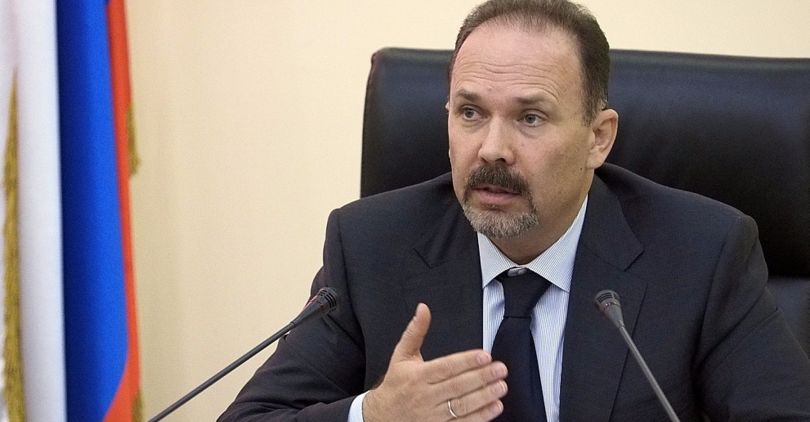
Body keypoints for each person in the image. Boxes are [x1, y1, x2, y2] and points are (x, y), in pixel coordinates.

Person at [219, 0, 810, 420]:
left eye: (530, 117)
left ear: (598, 138)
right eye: (470, 113)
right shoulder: (370, 247)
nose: (491, 149)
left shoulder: (703, 253)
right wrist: (372, 416)